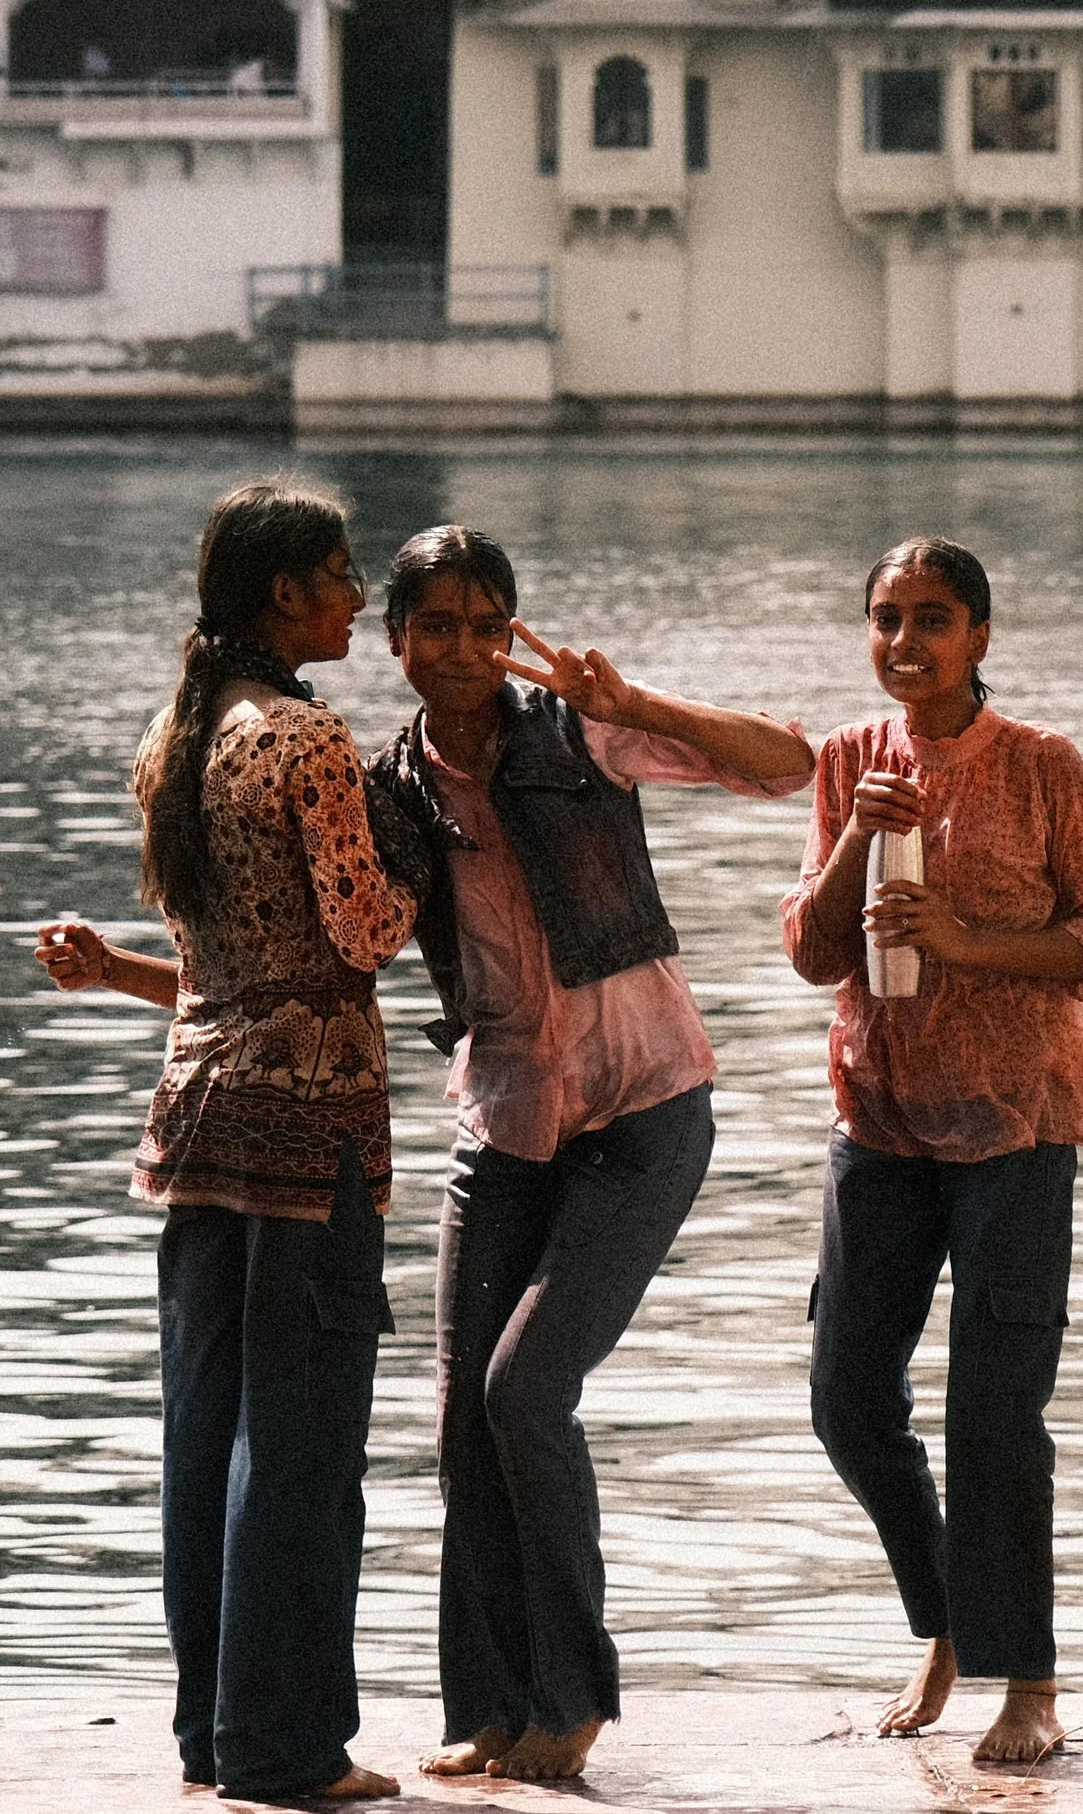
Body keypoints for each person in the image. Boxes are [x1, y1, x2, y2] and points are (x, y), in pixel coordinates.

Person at [364, 526, 814, 1785]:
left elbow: (791, 763)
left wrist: (629, 699)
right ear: (395, 642)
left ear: (513, 633)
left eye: (484, 624)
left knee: (523, 1392)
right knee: (463, 1420)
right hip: (504, 1120)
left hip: (645, 1106)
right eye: (434, 626)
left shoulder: (576, 733)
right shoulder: (386, 786)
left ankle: (570, 1696)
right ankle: (491, 1708)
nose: (461, 648)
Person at [36, 478, 416, 1803]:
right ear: (283, 599)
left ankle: (212, 1738)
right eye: (339, 576)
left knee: (207, 1437)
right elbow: (364, 933)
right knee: (302, 1444)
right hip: (308, 1127)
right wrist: (425, 845)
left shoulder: (175, 739)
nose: (360, 597)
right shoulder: (308, 743)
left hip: (194, 1118)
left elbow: (214, 971)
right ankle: (287, 1751)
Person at [781, 538, 1083, 1767]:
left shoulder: (1041, 764)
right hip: (878, 1115)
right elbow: (814, 953)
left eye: (932, 620)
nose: (905, 643)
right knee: (843, 1399)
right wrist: (850, 844)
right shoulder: (848, 760)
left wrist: (964, 937)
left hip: (1015, 1120)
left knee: (995, 1406)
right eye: (886, 619)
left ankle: (1025, 1675)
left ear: (980, 636)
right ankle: (944, 1620)